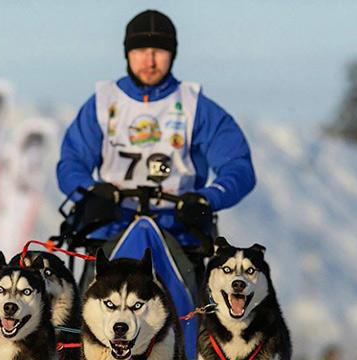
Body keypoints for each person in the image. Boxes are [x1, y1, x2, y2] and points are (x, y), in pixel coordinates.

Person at [57, 9, 255, 282]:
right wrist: (91, 192)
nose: (149, 61)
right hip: (111, 227)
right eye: (140, 51)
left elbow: (238, 165)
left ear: (173, 54)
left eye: (159, 52)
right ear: (127, 53)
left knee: (195, 317)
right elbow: (71, 162)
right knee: (78, 317)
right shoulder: (103, 103)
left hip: (177, 231)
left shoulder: (196, 106)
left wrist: (208, 198)